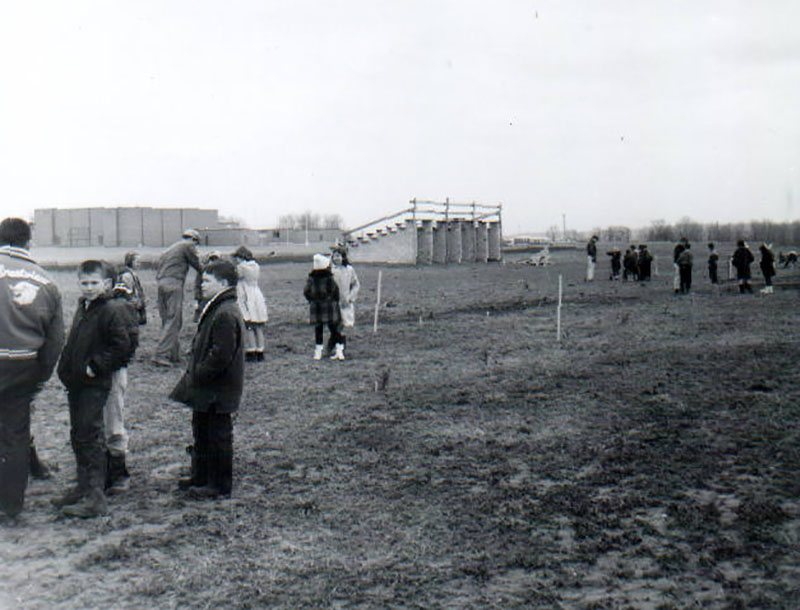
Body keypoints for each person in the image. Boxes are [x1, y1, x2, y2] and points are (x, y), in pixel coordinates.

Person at [55, 261, 133, 518]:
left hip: (94, 384)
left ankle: (95, 497)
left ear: (106, 284)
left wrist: (95, 366)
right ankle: (83, 487)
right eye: (84, 283)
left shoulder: (111, 310)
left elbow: (121, 346)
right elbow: (74, 340)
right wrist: (65, 368)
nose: (88, 288)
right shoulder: (83, 308)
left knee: (91, 436)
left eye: (94, 283)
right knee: (78, 435)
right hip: (77, 383)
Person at [0, 218, 65, 521]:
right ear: (27, 242)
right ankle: (10, 506)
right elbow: (55, 340)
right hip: (23, 364)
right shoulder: (46, 282)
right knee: (15, 435)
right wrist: (40, 375)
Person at [169, 259, 244, 498]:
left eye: (207, 280)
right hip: (208, 388)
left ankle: (218, 485)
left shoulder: (225, 312)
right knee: (202, 430)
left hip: (216, 389)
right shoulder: (218, 306)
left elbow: (221, 354)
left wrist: (199, 373)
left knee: (217, 436)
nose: (201, 284)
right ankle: (201, 476)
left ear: (223, 283)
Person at [103, 253, 146, 491]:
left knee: (113, 420)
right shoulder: (89, 307)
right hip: (94, 375)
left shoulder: (119, 307)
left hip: (111, 371)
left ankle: (118, 471)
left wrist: (104, 363)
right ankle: (102, 469)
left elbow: (127, 344)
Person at [152, 229, 202, 367]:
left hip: (161, 284)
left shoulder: (170, 248)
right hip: (174, 284)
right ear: (194, 240)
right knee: (174, 320)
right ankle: (160, 355)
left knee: (167, 319)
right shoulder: (188, 246)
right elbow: (198, 265)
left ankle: (174, 354)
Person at [232, 246, 268, 362]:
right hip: (256, 294)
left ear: (241, 257)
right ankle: (260, 350)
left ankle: (251, 350)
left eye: (237, 257)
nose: (235, 260)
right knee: (258, 326)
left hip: (246, 295)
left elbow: (235, 278)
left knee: (249, 325)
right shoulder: (255, 266)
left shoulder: (241, 267)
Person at [304, 254, 341, 360]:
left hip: (316, 306)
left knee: (318, 330)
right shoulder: (329, 278)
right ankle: (339, 351)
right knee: (334, 329)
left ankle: (318, 352)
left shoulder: (311, 279)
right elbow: (335, 291)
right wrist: (334, 301)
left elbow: (306, 291)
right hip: (329, 306)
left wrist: (312, 300)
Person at [329, 246, 360, 361]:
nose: (337, 259)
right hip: (333, 304)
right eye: (335, 256)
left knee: (343, 328)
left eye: (339, 256)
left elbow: (356, 284)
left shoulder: (349, 270)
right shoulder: (330, 271)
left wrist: (350, 297)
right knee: (335, 328)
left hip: (345, 303)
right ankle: (337, 350)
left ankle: (340, 351)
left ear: (343, 257)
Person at [193, 250, 221, 322]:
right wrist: (196, 300)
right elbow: (197, 285)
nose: (213, 262)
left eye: (216, 259)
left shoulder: (222, 272)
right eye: (211, 259)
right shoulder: (203, 271)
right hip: (204, 298)